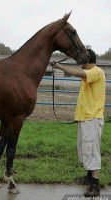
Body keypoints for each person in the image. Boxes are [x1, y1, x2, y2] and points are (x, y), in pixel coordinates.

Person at [50, 49, 106, 197]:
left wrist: (59, 66)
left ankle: (95, 186)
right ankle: (89, 178)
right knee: (85, 149)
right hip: (86, 118)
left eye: (81, 59)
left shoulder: (96, 71)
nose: (79, 62)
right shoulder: (89, 75)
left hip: (92, 119)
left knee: (92, 151)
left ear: (87, 60)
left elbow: (78, 73)